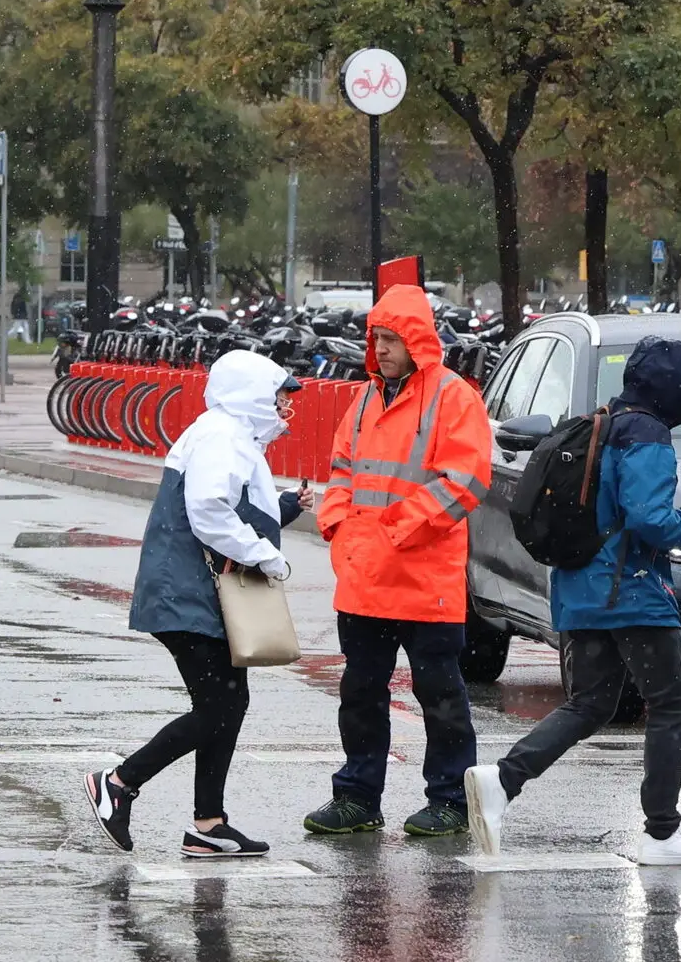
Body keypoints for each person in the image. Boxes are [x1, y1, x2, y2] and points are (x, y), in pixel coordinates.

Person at [464, 336, 681, 866]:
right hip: (630, 592)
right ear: (671, 390)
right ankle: (662, 834)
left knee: (591, 704)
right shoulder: (647, 433)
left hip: (580, 588)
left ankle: (503, 780)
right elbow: (650, 520)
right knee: (671, 703)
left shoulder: (600, 424)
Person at [86, 350, 309, 859]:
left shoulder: (229, 435)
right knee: (220, 708)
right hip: (189, 594)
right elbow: (209, 510)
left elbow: (231, 506)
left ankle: (209, 824)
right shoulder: (224, 436)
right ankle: (119, 782)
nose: (283, 404)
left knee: (226, 706)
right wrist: (266, 557)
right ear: (252, 392)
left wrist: (283, 509)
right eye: (278, 393)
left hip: (196, 593)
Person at [303, 284, 493, 838]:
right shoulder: (363, 399)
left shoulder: (453, 397)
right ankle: (359, 797)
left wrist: (395, 530)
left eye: (390, 339)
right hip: (365, 576)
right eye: (376, 338)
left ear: (416, 342)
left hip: (423, 577)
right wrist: (338, 529)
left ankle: (452, 800)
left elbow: (466, 478)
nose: (380, 349)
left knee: (440, 695)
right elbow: (341, 469)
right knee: (361, 692)